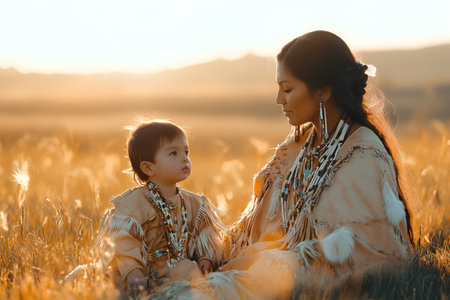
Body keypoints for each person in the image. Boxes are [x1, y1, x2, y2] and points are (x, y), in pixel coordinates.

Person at [151, 30, 414, 299]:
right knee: (165, 269)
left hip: (310, 277)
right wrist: (209, 253)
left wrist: (260, 263)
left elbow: (362, 252)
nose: (279, 100)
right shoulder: (299, 145)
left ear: (323, 91)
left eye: (287, 89)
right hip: (273, 267)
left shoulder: (362, 153)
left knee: (201, 292)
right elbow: (256, 231)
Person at [95, 120, 226, 298]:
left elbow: (203, 236)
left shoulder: (194, 203)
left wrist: (206, 258)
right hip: (145, 275)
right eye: (173, 153)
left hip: (182, 272)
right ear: (148, 167)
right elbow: (124, 241)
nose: (184, 158)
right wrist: (133, 270)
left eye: (186, 152)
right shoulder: (134, 203)